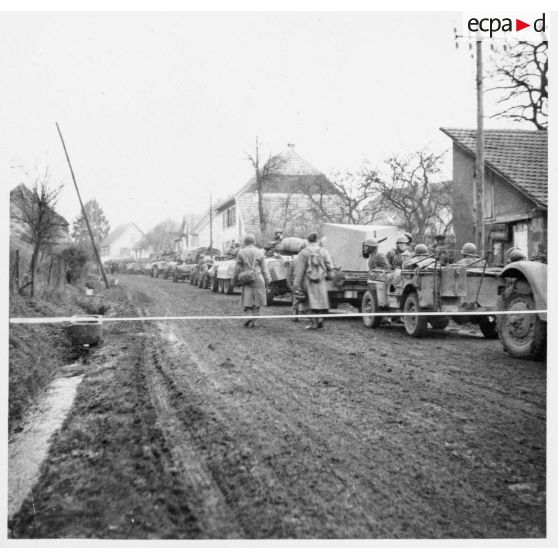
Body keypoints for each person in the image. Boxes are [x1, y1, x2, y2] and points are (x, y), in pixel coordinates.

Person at [293, 232, 334, 330]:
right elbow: (329, 266)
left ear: (308, 240)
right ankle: (320, 321)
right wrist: (329, 276)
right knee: (320, 301)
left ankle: (313, 323)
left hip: (307, 281)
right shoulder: (323, 251)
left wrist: (296, 285)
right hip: (320, 281)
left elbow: (299, 270)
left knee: (308, 302)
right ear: (317, 240)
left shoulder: (304, 252)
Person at [232, 235, 271, 327]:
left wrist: (234, 281)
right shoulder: (260, 252)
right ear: (254, 242)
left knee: (248, 299)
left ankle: (249, 315)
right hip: (259, 278)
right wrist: (268, 280)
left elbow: (237, 268)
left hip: (247, 279)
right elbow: (264, 268)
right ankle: (254, 321)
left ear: (245, 242)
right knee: (257, 301)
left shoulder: (241, 252)